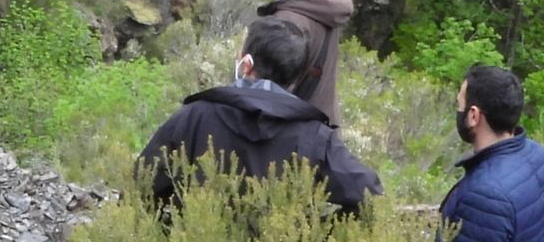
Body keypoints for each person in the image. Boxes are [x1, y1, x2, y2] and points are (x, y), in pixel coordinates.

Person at [138, 17, 382, 213]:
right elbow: (369, 196)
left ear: (247, 64)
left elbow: (142, 185)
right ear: (295, 78)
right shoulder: (314, 134)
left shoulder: (195, 116)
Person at [439, 65, 544, 242]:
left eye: (460, 104)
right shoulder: (538, 155)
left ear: (473, 116)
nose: (458, 111)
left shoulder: (484, 196)